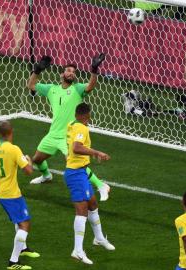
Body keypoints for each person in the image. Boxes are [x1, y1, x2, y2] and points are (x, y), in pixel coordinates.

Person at [26, 54, 111, 201]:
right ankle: (47, 175)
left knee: (75, 164)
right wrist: (37, 70)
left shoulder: (77, 89)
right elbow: (31, 85)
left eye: (73, 72)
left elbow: (90, 86)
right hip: (53, 133)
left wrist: (94, 69)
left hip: (68, 136)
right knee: (37, 159)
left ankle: (102, 185)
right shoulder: (51, 89)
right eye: (69, 70)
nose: (71, 73)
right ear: (62, 74)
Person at [0, 121, 40, 270]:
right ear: (11, 131)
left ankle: (23, 249)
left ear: (0, 133)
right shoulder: (14, 150)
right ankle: (13, 262)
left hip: (1, 191)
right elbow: (29, 171)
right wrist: (29, 160)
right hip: (11, 194)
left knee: (18, 221)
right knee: (25, 224)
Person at [64, 103, 115, 265]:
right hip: (76, 174)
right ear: (87, 116)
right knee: (81, 212)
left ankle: (99, 238)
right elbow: (77, 148)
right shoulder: (82, 129)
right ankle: (77, 250)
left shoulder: (71, 125)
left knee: (93, 204)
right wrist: (96, 152)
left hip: (80, 172)